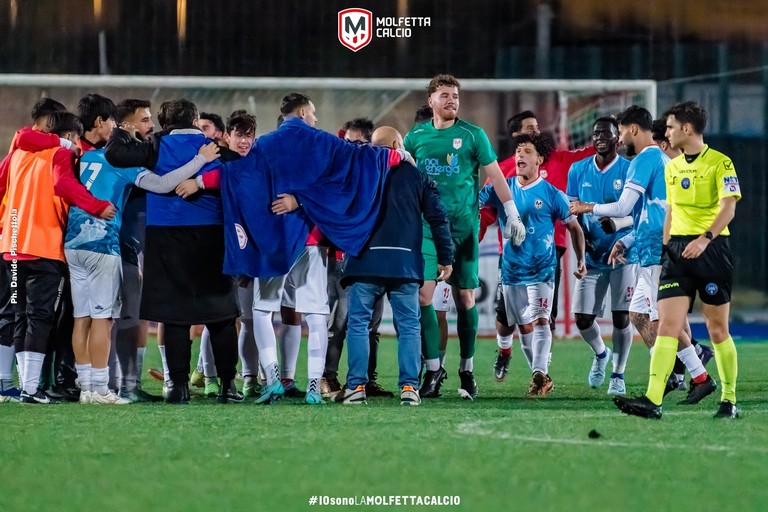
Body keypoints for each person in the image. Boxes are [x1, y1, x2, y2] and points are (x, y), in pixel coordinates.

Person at [66, 95, 220, 405]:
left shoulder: (88, 157)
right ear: (122, 125)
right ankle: (100, 389)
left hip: (73, 244)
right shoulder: (123, 161)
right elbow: (163, 185)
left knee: (81, 318)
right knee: (103, 319)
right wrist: (200, 161)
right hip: (103, 245)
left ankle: (85, 387)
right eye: (146, 119)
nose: (152, 125)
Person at [573, 106, 715, 405]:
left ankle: (698, 376)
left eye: (622, 131)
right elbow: (651, 210)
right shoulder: (659, 159)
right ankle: (674, 376)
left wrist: (588, 207)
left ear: (633, 130)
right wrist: (626, 240)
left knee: (665, 321)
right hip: (648, 246)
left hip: (657, 250)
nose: (621, 138)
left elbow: (624, 206)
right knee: (639, 315)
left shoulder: (646, 158)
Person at [614, 101, 741, 419]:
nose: (664, 133)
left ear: (687, 128)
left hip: (711, 251)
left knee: (716, 329)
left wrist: (705, 238)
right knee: (666, 325)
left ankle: (728, 397)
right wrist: (668, 246)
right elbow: (669, 213)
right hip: (674, 255)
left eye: (669, 127)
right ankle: (653, 400)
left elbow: (728, 208)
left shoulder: (720, 163)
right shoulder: (671, 168)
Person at [404, 74, 524, 401]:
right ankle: (432, 370)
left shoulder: (473, 135)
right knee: (424, 298)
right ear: (431, 101)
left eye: (455, 96)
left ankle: (466, 369)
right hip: (427, 229)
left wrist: (511, 212)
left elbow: (496, 175)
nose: (452, 101)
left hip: (462, 229)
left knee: (465, 300)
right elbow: (405, 180)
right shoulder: (415, 136)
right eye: (444, 95)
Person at [0, 111, 116, 404]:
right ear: (68, 136)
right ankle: (29, 388)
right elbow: (63, 185)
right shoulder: (59, 155)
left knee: (18, 315)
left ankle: (13, 385)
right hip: (43, 247)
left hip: (12, 247)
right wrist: (96, 206)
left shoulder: (17, 155)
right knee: (39, 318)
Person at [334, 126, 453, 405]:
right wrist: (446, 257)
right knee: (409, 326)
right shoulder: (417, 175)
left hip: (364, 261)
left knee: (359, 324)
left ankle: (356, 387)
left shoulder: (359, 172)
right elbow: (438, 218)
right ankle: (410, 388)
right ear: (399, 144)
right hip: (404, 264)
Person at [483, 110, 595, 382]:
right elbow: (481, 211)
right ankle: (505, 351)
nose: (535, 131)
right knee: (509, 318)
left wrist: (611, 141)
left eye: (536, 128)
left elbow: (573, 224)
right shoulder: (502, 175)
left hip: (548, 253)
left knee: (544, 316)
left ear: (539, 158)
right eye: (528, 130)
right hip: (510, 257)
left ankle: (540, 371)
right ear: (515, 138)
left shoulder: (555, 168)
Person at [566, 117, 637, 396]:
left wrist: (618, 225)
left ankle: (618, 376)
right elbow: (572, 214)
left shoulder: (630, 170)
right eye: (595, 134)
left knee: (621, 318)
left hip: (623, 256)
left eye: (605, 134)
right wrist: (581, 254)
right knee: (582, 319)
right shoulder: (578, 170)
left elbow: (637, 214)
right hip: (593, 257)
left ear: (617, 139)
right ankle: (600, 354)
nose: (599, 138)